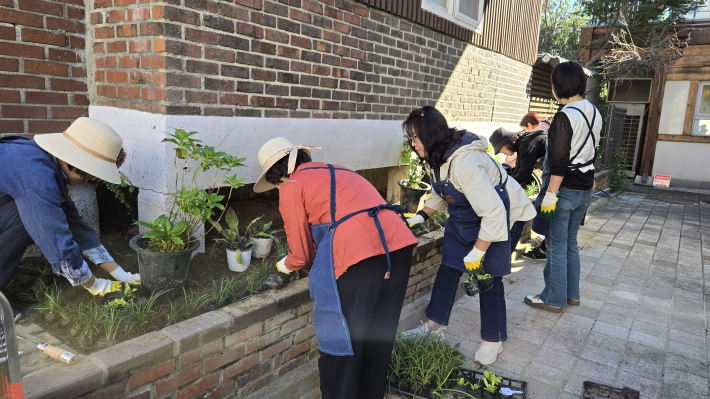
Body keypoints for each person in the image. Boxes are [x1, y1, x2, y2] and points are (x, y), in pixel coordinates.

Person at [254, 137, 417, 399]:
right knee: (378, 336)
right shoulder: (339, 170)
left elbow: (301, 254)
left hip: (360, 257)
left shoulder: (292, 185)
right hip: (398, 247)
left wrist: (282, 266)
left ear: (276, 177)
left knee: (342, 343)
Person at [403, 106, 535, 365]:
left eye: (416, 137)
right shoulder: (437, 156)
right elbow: (442, 191)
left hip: (499, 213)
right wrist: (423, 216)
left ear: (430, 135)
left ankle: (492, 340)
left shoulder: (465, 162)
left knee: (488, 277)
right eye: (411, 137)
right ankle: (433, 327)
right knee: (448, 269)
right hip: (465, 215)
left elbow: (494, 211)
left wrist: (478, 251)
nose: (413, 143)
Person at [0, 117, 140, 320]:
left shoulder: (45, 162)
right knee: (28, 218)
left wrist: (120, 274)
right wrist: (96, 285)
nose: (87, 180)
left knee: (37, 212)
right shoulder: (37, 179)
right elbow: (55, 238)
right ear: (77, 160)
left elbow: (76, 225)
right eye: (89, 175)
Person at [524, 61, 601, 313]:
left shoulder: (564, 116)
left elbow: (557, 163)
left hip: (564, 191)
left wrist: (550, 196)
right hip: (584, 189)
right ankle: (571, 295)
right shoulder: (593, 111)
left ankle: (553, 298)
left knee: (555, 245)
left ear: (559, 86)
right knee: (570, 243)